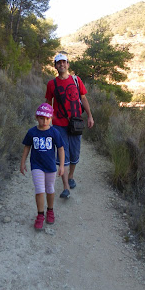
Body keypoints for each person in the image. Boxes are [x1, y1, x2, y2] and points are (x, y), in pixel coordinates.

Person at [45, 53, 94, 199]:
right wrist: (49, 118)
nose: (61, 65)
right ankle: (66, 186)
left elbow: (83, 99)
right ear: (55, 66)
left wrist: (90, 116)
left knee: (74, 154)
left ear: (68, 64)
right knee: (62, 155)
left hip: (76, 123)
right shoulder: (51, 84)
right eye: (58, 63)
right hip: (59, 125)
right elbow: (48, 102)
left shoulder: (76, 80)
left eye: (63, 62)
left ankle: (71, 176)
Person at [20, 103, 65, 230]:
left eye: (47, 118)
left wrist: (61, 165)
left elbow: (61, 149)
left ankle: (50, 211)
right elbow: (27, 147)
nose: (44, 121)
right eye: (41, 118)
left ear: (51, 118)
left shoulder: (54, 132)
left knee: (50, 189)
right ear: (36, 117)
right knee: (39, 189)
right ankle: (40, 215)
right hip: (37, 165)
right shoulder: (32, 132)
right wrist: (23, 162)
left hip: (50, 166)